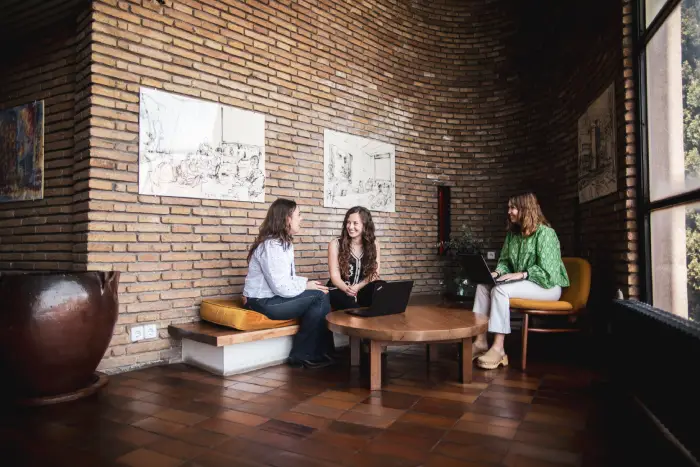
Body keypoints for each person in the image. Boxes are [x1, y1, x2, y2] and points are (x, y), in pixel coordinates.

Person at [472, 192, 570, 370]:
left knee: (500, 290)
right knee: (483, 287)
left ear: (526, 209)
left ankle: (499, 348)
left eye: (513, 208)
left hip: (547, 286)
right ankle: (480, 342)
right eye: (508, 207)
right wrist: (497, 273)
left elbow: (548, 272)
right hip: (526, 283)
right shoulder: (513, 235)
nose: (509, 211)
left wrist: (522, 274)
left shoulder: (546, 234)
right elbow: (504, 262)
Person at [243, 198, 334, 369]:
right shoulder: (271, 246)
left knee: (321, 292)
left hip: (271, 299)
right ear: (287, 219)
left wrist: (308, 283)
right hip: (261, 302)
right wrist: (306, 286)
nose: (301, 218)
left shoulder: (283, 244)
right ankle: (303, 355)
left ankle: (318, 352)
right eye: (298, 215)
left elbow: (286, 279)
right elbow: (281, 287)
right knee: (319, 297)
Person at [327, 206, 381, 310]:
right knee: (351, 305)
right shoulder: (335, 244)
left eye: (355, 223)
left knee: (381, 287)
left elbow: (375, 273)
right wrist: (348, 290)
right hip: (340, 289)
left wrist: (358, 287)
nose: (350, 227)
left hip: (361, 288)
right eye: (348, 222)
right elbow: (335, 277)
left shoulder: (374, 244)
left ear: (365, 225)